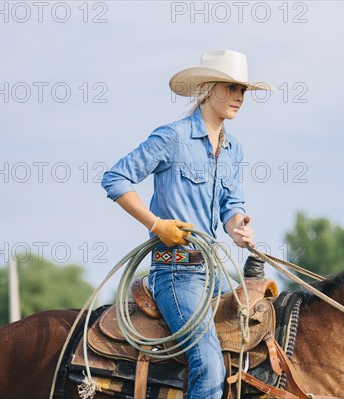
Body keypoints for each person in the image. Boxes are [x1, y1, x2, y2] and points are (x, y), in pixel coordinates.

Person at [101, 49, 273, 398]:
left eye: (243, 91)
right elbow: (116, 179)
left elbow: (231, 206)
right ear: (208, 88)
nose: (239, 97)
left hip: (212, 275)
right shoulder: (172, 137)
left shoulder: (233, 149)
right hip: (175, 273)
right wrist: (157, 225)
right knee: (209, 363)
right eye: (231, 88)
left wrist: (239, 228)